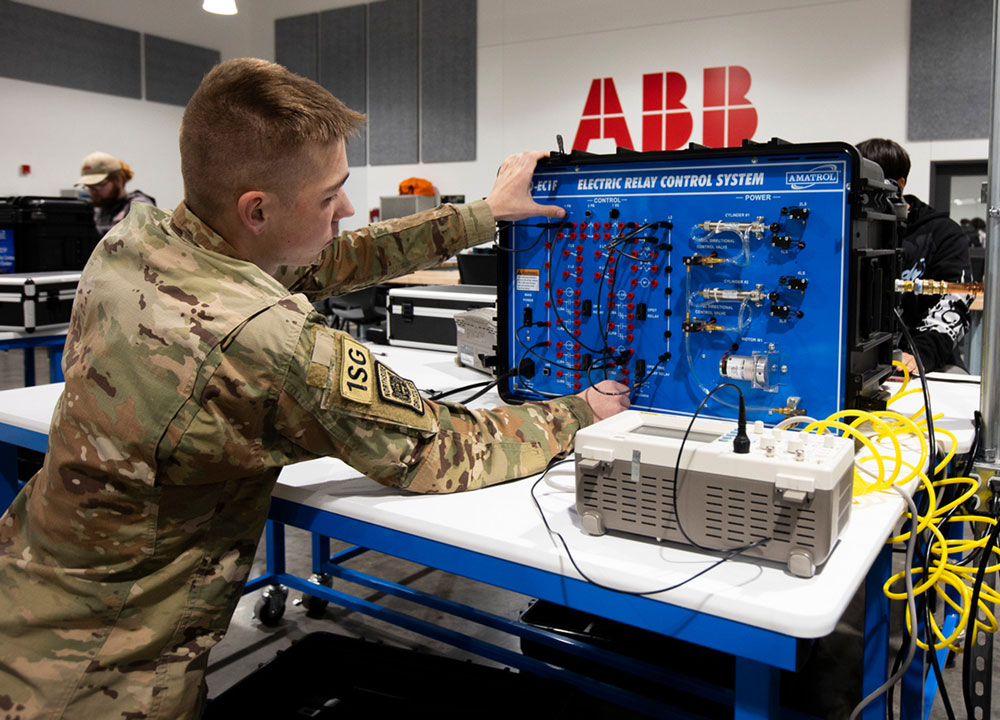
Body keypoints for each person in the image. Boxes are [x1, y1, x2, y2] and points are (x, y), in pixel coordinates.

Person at [0, 58, 629, 718]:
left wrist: (482, 215)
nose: (348, 208)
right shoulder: (265, 340)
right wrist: (581, 411)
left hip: (25, 594)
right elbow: (438, 451)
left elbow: (328, 258)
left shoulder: (138, 239)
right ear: (258, 210)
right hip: (100, 679)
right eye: (331, 197)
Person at [856, 138, 973, 374]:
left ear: (900, 184)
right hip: (858, 360)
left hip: (925, 361)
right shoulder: (850, 230)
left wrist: (918, 355)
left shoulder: (943, 233)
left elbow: (953, 304)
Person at [76, 150, 157, 235]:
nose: (93, 192)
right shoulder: (97, 211)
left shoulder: (138, 205)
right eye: (89, 187)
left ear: (118, 180)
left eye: (98, 185)